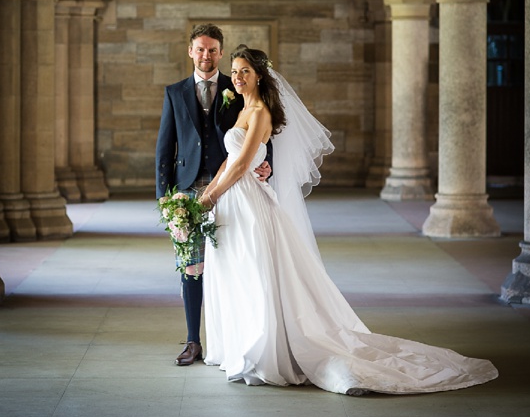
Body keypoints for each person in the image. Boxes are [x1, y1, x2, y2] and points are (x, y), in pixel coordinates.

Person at [198, 46, 498, 396]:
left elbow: (240, 163)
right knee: (236, 270)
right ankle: (238, 344)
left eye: (244, 71)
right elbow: (228, 161)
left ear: (259, 75)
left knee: (255, 270)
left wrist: (214, 194)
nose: (237, 77)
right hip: (233, 197)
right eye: (234, 71)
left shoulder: (261, 111)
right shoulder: (242, 107)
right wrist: (209, 192)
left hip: (247, 199)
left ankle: (265, 352)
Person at [155, 25, 271, 366]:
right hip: (187, 190)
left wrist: (268, 166)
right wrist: (165, 197)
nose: (206, 56)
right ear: (190, 51)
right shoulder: (175, 93)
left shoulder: (235, 85)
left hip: (232, 189)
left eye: (212, 50)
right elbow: (165, 147)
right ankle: (193, 341)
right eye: (200, 49)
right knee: (191, 265)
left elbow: (263, 133)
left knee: (233, 263)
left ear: (220, 53)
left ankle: (238, 338)